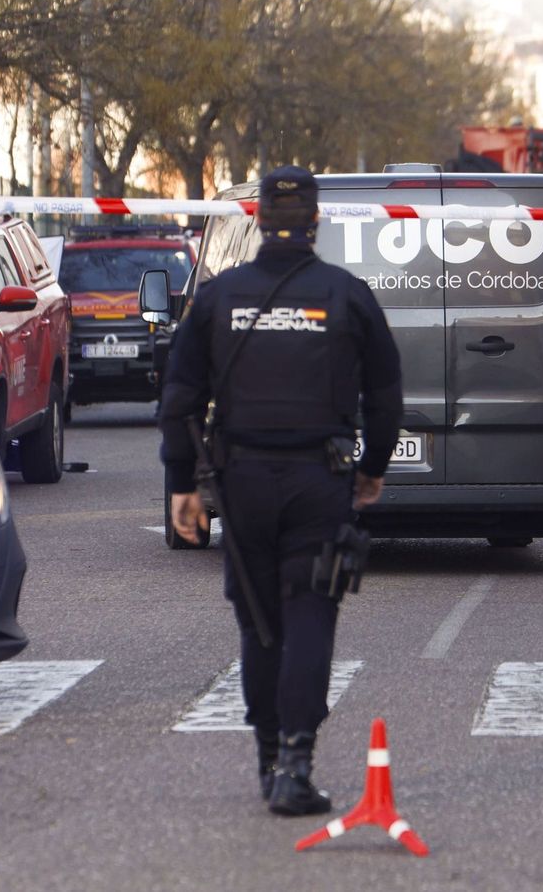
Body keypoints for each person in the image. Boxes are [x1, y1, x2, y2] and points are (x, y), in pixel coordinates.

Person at [158, 165, 402, 814]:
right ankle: (295, 763)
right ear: (316, 223)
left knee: (259, 622)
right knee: (310, 613)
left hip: (240, 483)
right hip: (319, 481)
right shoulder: (347, 295)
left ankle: (268, 757)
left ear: (258, 220)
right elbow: (386, 394)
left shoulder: (219, 297)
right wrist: (373, 467)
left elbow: (180, 396)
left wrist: (182, 485)